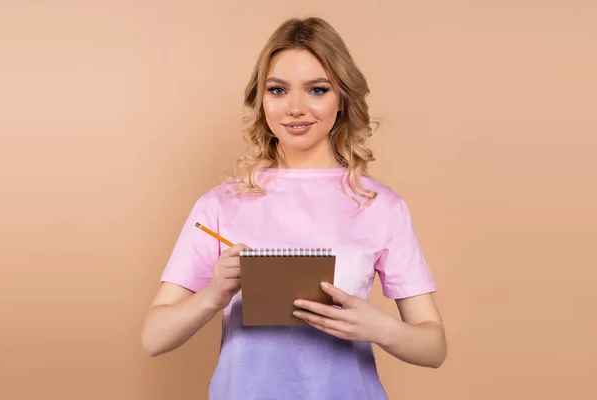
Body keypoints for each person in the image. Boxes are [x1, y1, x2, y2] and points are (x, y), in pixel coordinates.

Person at [141, 16, 447, 400]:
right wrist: (214, 295)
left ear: (342, 99)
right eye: (278, 90)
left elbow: (433, 347)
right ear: (261, 99)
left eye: (317, 89)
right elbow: (154, 337)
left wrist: (377, 327)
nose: (296, 108)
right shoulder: (219, 204)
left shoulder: (381, 206)